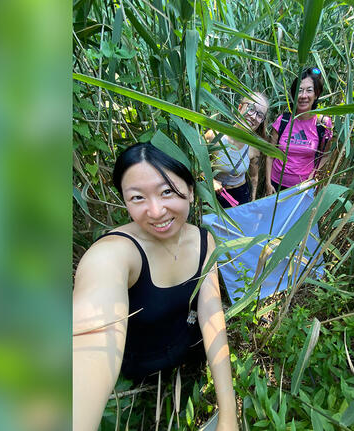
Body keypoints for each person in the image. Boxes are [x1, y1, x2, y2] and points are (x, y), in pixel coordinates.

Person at [72, 143, 238, 431]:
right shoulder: (113, 254)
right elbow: (91, 341)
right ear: (124, 201)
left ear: (189, 187)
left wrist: (228, 413)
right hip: (138, 373)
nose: (156, 211)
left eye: (167, 191)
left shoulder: (203, 240)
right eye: (137, 197)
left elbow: (211, 314)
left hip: (188, 359)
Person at [265, 67, 334, 194]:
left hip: (303, 187)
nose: (303, 96)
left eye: (309, 91)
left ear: (316, 94)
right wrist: (268, 184)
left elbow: (326, 154)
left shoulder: (323, 124)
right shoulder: (283, 120)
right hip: (276, 184)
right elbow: (270, 155)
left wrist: (312, 176)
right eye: (299, 91)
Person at [205, 92, 269, 207]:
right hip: (214, 195)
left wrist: (252, 201)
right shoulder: (214, 136)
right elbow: (197, 167)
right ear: (240, 108)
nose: (254, 116)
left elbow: (254, 177)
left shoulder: (253, 147)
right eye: (251, 108)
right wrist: (211, 181)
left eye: (260, 115)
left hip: (241, 195)